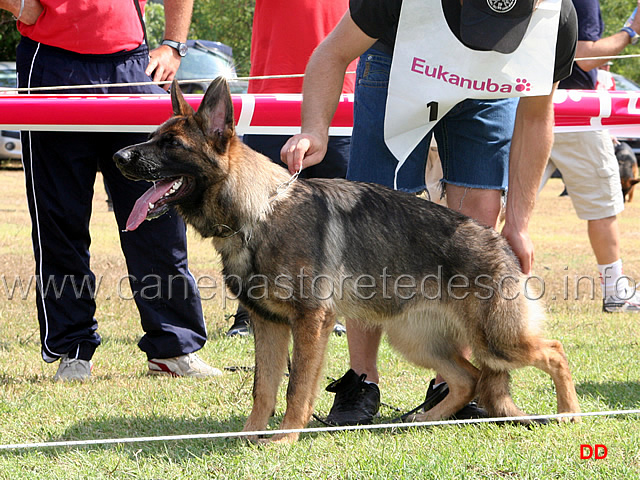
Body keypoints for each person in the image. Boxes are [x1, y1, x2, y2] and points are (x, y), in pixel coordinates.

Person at [281, 0, 578, 425]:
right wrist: (315, 129)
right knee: (370, 223)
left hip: (489, 86)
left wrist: (519, 223)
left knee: (478, 218)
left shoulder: (556, 15)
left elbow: (535, 118)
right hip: (398, 61)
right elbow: (331, 52)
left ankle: (452, 381)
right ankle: (362, 380)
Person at [0, 0, 221, 381]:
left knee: (158, 215)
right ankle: (73, 347)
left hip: (131, 64)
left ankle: (173, 346)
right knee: (59, 217)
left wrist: (174, 44)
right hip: (50, 64)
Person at [225, 0, 357, 337]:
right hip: (273, 97)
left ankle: (329, 306)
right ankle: (250, 310)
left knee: (336, 216)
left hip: (342, 98)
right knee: (256, 213)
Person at [541, 0, 640, 313]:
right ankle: (615, 294)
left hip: (526, 106)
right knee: (603, 207)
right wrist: (631, 32)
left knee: (501, 203)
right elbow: (584, 56)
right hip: (572, 117)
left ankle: (469, 287)